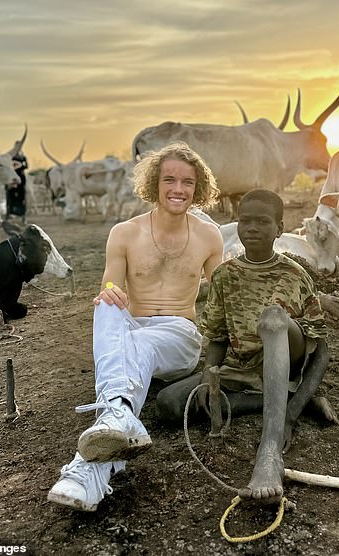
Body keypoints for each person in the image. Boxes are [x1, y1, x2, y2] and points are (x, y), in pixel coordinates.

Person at [48, 142, 224, 512]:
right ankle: (95, 464)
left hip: (179, 334)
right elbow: (111, 284)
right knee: (105, 307)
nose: (178, 189)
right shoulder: (124, 233)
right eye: (170, 179)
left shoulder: (210, 236)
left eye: (188, 182)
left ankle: (110, 418)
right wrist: (111, 293)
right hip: (131, 324)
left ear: (198, 189)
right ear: (154, 184)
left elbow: (222, 297)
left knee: (135, 345)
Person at [155, 189, 332, 504]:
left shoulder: (295, 275)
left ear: (279, 228)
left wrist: (289, 418)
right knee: (168, 405)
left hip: (284, 362)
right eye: (245, 220)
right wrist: (211, 374)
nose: (252, 228)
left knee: (273, 318)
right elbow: (219, 335)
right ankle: (283, 399)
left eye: (263, 221)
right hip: (241, 371)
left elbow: (322, 349)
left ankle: (270, 449)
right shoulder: (224, 276)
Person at [7, 142, 28, 222]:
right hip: (12, 179)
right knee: (10, 196)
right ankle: (10, 214)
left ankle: (22, 215)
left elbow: (26, 166)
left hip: (21, 179)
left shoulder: (23, 157)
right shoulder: (10, 157)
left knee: (22, 197)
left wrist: (20, 165)